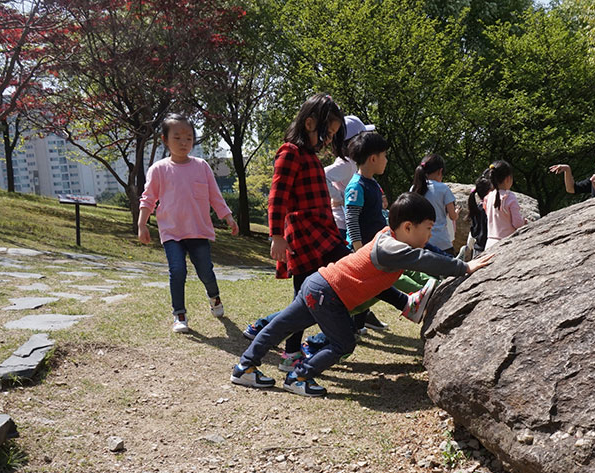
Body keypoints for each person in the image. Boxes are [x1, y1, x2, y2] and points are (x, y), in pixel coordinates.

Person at [231, 192, 494, 397]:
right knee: (343, 344)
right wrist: (463, 267)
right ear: (407, 227)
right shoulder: (393, 248)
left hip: (318, 284)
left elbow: (426, 252)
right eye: (427, 228)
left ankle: (245, 367)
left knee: (280, 326)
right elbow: (424, 259)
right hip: (329, 295)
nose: (429, 234)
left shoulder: (388, 237)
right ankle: (299, 377)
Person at [257, 93, 349, 369]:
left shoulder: (311, 156)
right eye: (327, 132)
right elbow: (277, 196)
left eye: (333, 134)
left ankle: (291, 351)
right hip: (305, 237)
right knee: (311, 293)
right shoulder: (290, 152)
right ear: (310, 124)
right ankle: (405, 301)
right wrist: (276, 236)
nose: (329, 139)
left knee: (304, 298)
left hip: (321, 233)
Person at [138, 113, 238, 333]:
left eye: (189, 138)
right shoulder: (158, 169)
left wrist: (228, 216)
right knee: (177, 271)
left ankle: (214, 298)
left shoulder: (201, 166)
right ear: (165, 140)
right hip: (172, 232)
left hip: (199, 232)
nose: (184, 143)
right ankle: (179, 315)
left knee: (205, 272)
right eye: (177, 138)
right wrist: (142, 224)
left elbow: (215, 195)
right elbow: (148, 198)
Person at [324, 115, 375, 233]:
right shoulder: (347, 164)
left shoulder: (352, 163)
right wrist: (338, 197)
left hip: (346, 222)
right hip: (342, 224)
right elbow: (322, 175)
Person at [410, 154, 458, 255]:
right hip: (441, 242)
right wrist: (456, 213)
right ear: (440, 171)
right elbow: (453, 216)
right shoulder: (443, 189)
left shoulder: (414, 188)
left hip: (420, 242)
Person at [483, 160, 527, 250]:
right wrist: (524, 222)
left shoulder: (488, 197)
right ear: (508, 179)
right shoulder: (510, 197)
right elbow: (517, 224)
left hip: (489, 242)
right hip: (506, 243)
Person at [466, 175, 492, 255]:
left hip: (477, 249)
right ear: (489, 192)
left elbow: (474, 231)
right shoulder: (489, 209)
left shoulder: (476, 208)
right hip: (488, 248)